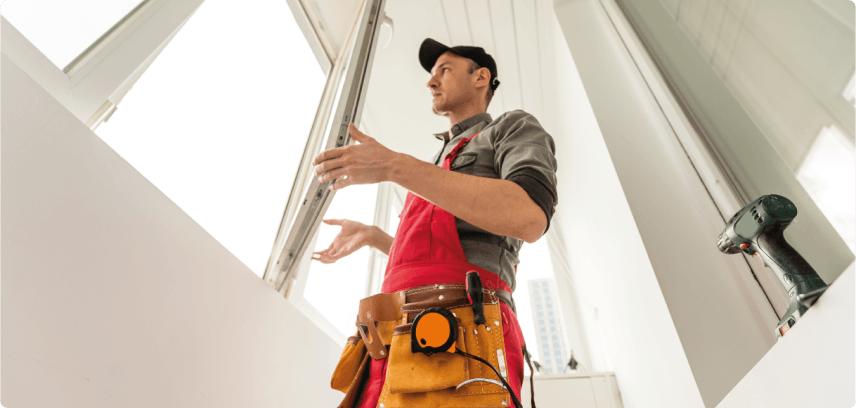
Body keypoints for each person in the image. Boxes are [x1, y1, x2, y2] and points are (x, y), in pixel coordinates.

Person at [313, 38, 558, 408]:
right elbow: (431, 254)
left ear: (481, 77)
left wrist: (394, 166)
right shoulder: (431, 167)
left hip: (464, 334)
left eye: (444, 69)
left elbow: (528, 217)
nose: (431, 82)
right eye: (431, 74)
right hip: (393, 340)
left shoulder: (510, 128)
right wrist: (374, 236)